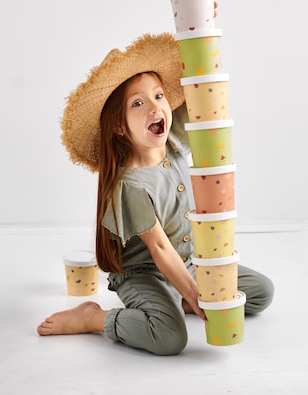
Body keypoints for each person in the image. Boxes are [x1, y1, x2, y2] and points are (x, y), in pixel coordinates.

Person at [37, 32, 274, 355]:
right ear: (120, 126)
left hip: (187, 262)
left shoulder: (173, 140)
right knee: (170, 339)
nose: (155, 107)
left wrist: (202, 23)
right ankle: (94, 318)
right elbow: (160, 248)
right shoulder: (130, 186)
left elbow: (204, 93)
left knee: (259, 292)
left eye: (159, 95)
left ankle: (174, 300)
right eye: (138, 103)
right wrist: (194, 294)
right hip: (144, 274)